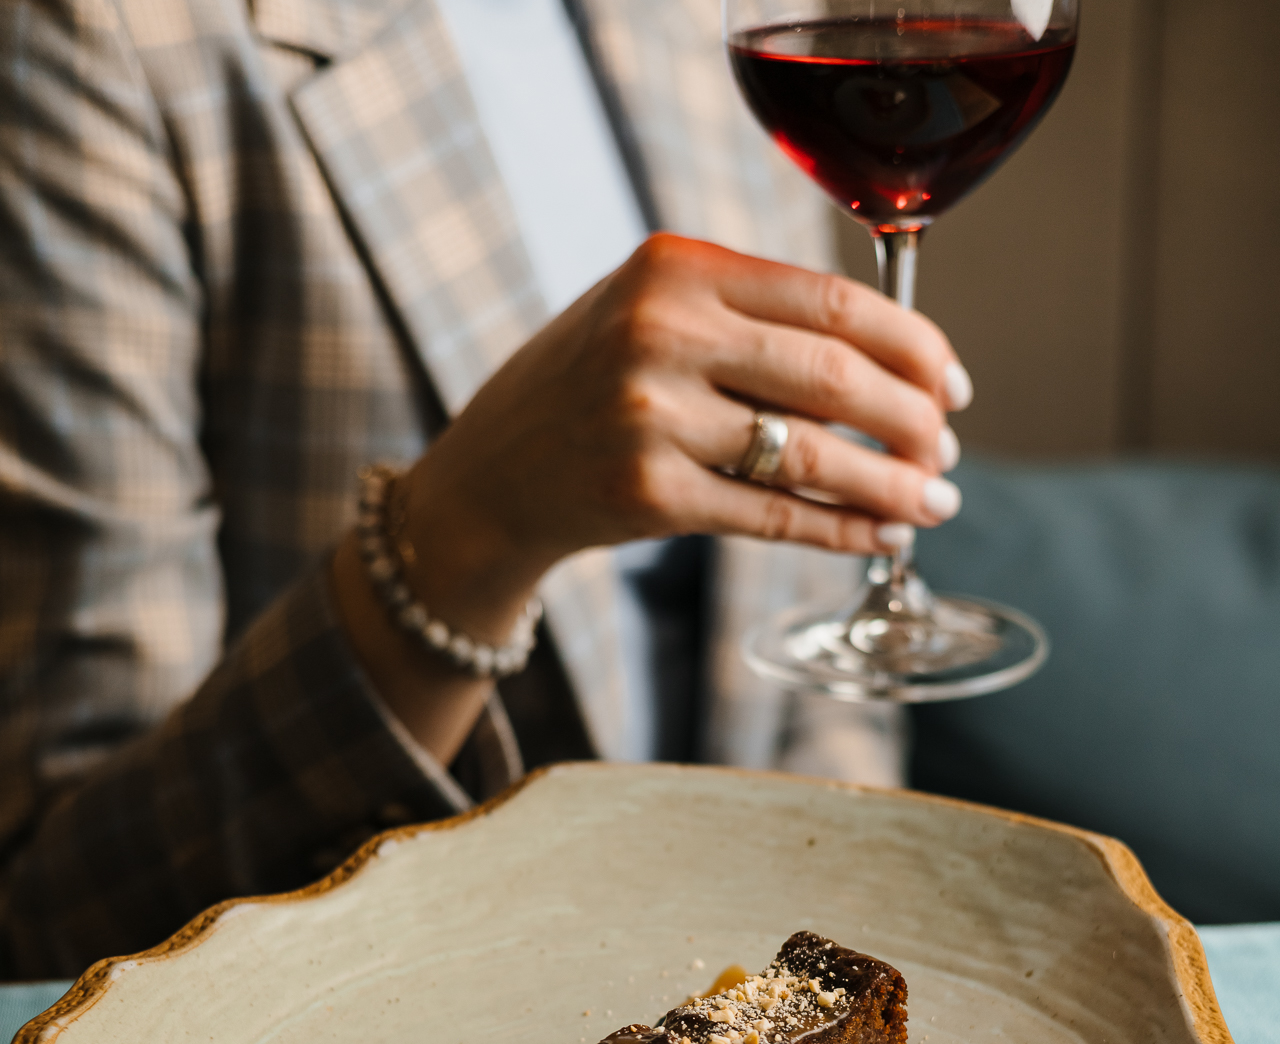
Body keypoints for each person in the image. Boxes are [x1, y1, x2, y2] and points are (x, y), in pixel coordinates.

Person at [0, 0, 970, 980]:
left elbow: (817, 654)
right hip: (401, 1003)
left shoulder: (710, 16)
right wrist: (464, 534)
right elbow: (59, 910)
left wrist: (846, 959)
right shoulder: (110, 35)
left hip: (741, 996)